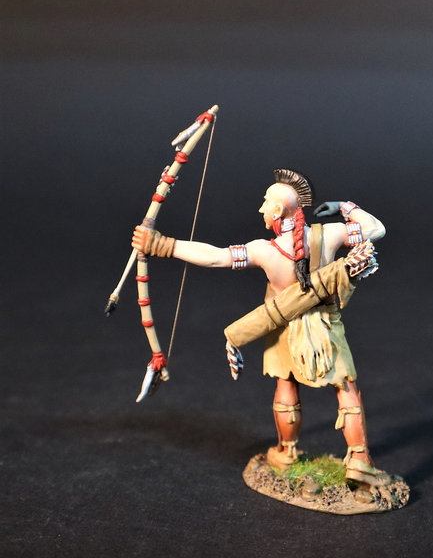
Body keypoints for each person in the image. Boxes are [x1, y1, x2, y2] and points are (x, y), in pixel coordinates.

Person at [132, 169, 390, 486]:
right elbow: (376, 229)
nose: (261, 208)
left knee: (286, 384)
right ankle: (360, 461)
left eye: (265, 202)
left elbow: (215, 258)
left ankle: (285, 452)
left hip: (281, 324)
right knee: (346, 388)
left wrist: (162, 245)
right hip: (325, 326)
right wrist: (346, 207)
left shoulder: (264, 251)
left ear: (278, 211)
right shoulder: (331, 234)